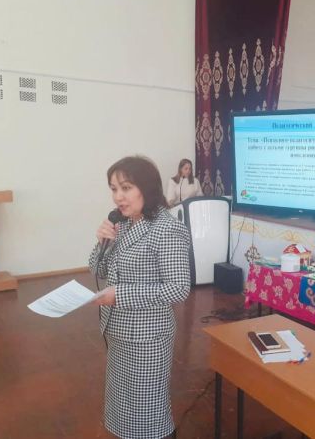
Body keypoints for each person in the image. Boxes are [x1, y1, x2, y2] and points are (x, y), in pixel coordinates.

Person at [89, 155, 191, 439]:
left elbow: (178, 287)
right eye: (114, 189)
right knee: (124, 406)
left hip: (147, 336)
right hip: (119, 330)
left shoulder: (167, 228)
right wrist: (101, 243)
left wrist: (120, 295)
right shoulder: (124, 224)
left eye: (126, 188)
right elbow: (99, 269)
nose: (118, 197)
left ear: (146, 187)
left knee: (147, 411)